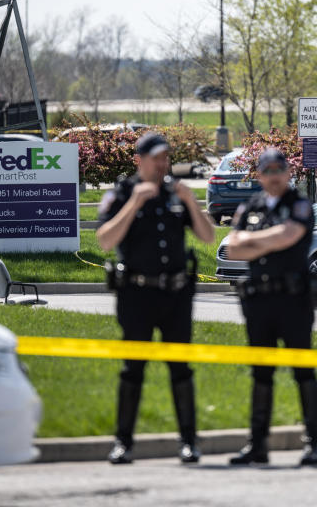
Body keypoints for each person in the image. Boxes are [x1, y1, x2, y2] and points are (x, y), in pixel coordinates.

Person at [96, 132, 216, 465]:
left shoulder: (175, 194)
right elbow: (105, 239)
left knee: (181, 369)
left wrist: (191, 201)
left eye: (166, 158)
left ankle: (189, 443)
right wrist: (134, 203)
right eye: (156, 159)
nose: (163, 164)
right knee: (132, 369)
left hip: (176, 296)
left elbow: (207, 237)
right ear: (139, 160)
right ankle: (123, 443)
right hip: (137, 294)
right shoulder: (121, 193)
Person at [223, 148, 317, 466]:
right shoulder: (250, 206)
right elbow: (233, 249)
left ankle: (313, 444)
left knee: (302, 370)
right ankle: (258, 445)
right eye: (268, 171)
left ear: (288, 173)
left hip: (293, 302)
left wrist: (255, 241)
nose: (274, 176)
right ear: (260, 175)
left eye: (279, 170)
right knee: (260, 374)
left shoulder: (300, 204)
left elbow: (290, 234)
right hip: (259, 303)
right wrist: (271, 239)